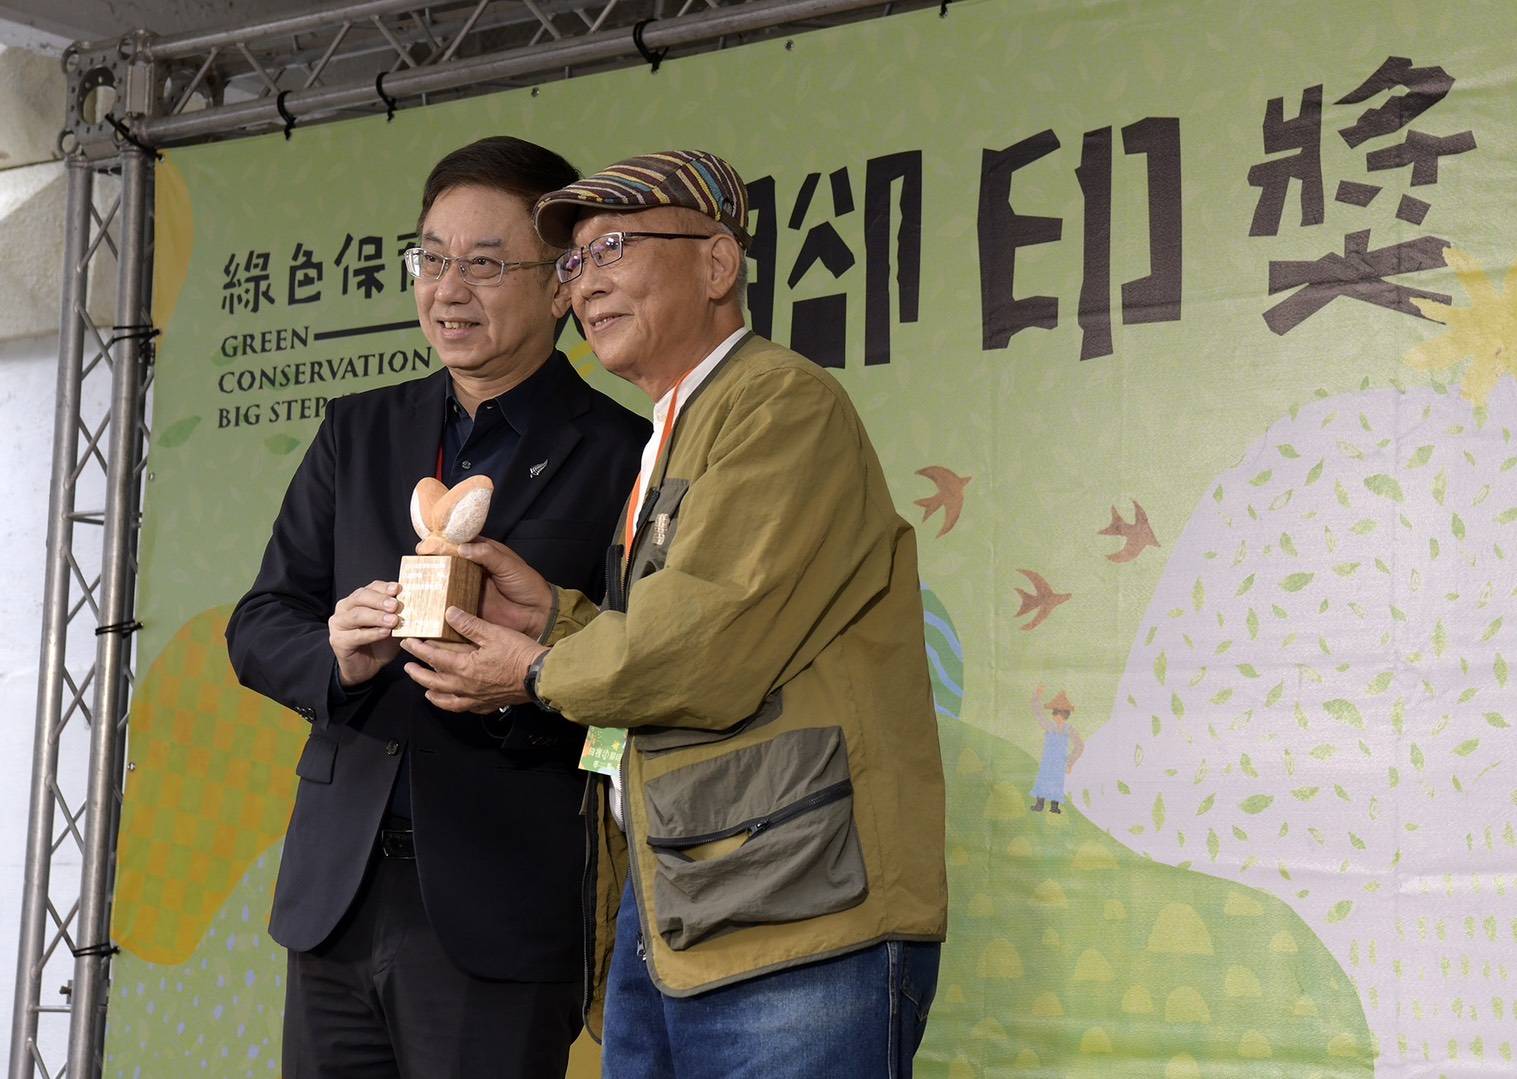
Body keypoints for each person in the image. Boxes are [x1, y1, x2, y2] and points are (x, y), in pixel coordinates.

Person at [399, 150, 948, 1078]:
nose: (585, 283)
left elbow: (702, 647)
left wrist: (531, 669)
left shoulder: (778, 403)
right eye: (575, 260)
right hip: (688, 903)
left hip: (795, 915)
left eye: (613, 247)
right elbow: (684, 636)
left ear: (717, 264)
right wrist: (553, 620)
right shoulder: (680, 423)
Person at [224, 136, 649, 1078]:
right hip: (336, 893)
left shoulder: (624, 453)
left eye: (485, 264)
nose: (448, 290)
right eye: (431, 258)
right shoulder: (359, 430)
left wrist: (521, 688)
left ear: (561, 284)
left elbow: (643, 674)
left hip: (501, 899)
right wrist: (336, 656)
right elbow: (260, 622)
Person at [1030, 685, 1084, 813]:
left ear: (1065, 715)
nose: (1056, 717)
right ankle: (1039, 805)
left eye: (1059, 714)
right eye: (1055, 714)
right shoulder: (1050, 726)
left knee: (1057, 783)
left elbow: (1079, 745)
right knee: (1043, 781)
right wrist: (1037, 696)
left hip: (1060, 761)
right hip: (1047, 760)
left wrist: (1070, 762)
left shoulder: (1069, 730)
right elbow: (1038, 714)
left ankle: (1054, 807)